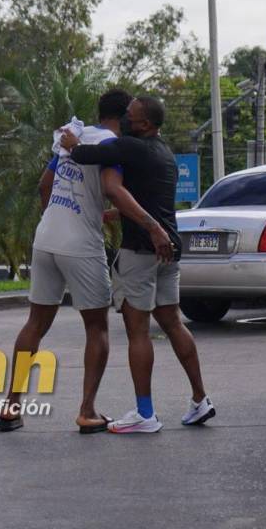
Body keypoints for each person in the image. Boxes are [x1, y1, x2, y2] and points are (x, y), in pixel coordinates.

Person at [0, 89, 170, 434]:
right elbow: (112, 187)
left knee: (35, 324)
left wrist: (61, 217)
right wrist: (151, 225)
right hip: (81, 246)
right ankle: (87, 411)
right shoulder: (112, 146)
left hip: (46, 239)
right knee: (97, 327)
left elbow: (45, 184)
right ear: (123, 118)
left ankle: (11, 406)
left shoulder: (71, 138)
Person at [61, 96, 214, 433]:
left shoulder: (131, 147)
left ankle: (145, 413)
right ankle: (200, 400)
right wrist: (120, 216)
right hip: (169, 250)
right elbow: (151, 199)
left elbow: (88, 155)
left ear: (144, 124)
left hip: (141, 252)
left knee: (138, 333)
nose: (125, 121)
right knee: (173, 322)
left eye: (130, 117)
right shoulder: (165, 154)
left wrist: (71, 143)